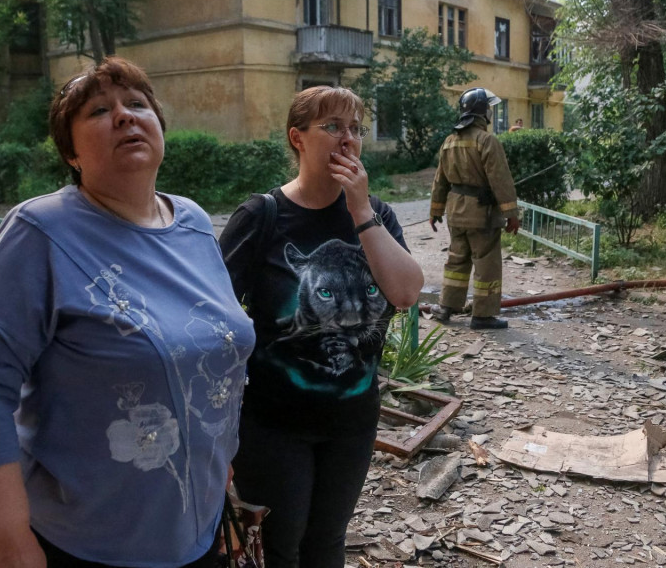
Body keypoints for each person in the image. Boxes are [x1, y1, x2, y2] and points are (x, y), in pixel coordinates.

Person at [0, 57, 254, 568]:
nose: (125, 116)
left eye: (138, 105)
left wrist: (222, 484)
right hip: (88, 543)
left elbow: (211, 359)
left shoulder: (195, 222)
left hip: (198, 530)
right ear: (70, 151)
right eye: (99, 110)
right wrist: (9, 545)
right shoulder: (41, 232)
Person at [218, 86, 423, 568]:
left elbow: (407, 292)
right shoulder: (262, 216)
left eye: (355, 129)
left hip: (352, 420)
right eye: (331, 127)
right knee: (280, 547)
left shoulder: (377, 215)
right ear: (298, 138)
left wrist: (361, 210)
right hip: (275, 424)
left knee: (328, 542)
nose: (347, 140)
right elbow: (212, 318)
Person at [429, 87, 520, 330]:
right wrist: (512, 214)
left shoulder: (449, 142)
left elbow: (440, 181)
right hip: (482, 215)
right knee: (486, 264)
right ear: (483, 113)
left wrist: (435, 211)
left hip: (456, 213)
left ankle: (446, 308)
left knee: (456, 262)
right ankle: (483, 315)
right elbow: (500, 180)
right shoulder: (487, 141)